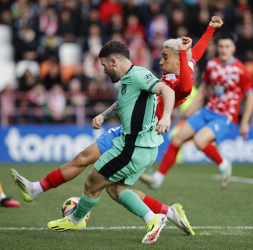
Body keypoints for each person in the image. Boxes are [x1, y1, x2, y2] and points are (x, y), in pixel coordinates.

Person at [11, 16, 223, 235]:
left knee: (112, 187)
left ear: (178, 60)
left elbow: (185, 81)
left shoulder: (179, 82)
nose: (160, 62)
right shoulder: (169, 70)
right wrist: (209, 29)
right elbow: (193, 55)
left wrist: (166, 115)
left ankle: (87, 217)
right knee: (84, 158)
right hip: (125, 129)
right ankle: (35, 189)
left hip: (141, 133)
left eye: (165, 57)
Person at [51, 40, 175, 243]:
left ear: (114, 61)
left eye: (104, 65)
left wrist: (166, 116)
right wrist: (103, 115)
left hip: (133, 147)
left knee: (92, 182)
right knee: (115, 189)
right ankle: (153, 219)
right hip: (139, 147)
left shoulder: (138, 74)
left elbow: (167, 91)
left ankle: (76, 219)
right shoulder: (128, 79)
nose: (104, 70)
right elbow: (124, 103)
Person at [141, 33, 253, 190]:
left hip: (226, 116)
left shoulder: (241, 71)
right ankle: (158, 178)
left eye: (227, 47)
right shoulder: (212, 65)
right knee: (176, 138)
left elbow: (251, 97)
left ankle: (223, 164)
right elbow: (203, 89)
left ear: (233, 48)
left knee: (200, 141)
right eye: (221, 46)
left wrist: (245, 122)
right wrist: (192, 106)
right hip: (207, 111)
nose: (223, 50)